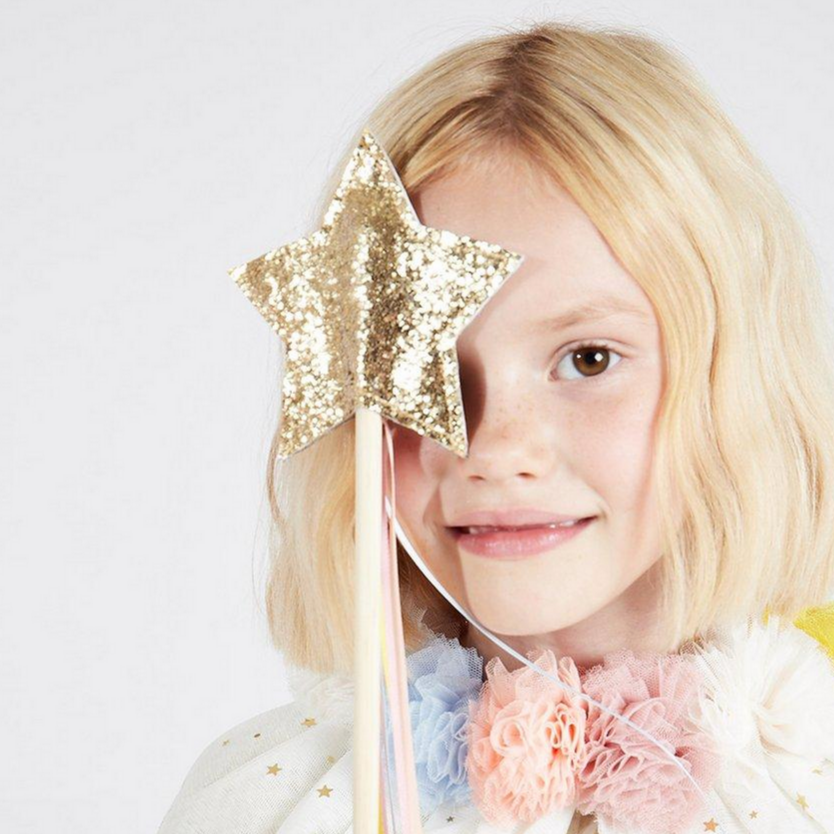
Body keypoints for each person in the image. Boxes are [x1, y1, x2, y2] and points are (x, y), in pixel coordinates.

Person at [157, 19, 834, 834]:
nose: (493, 448)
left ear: (739, 379)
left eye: (588, 359)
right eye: (432, 373)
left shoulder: (809, 782)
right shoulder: (275, 803)